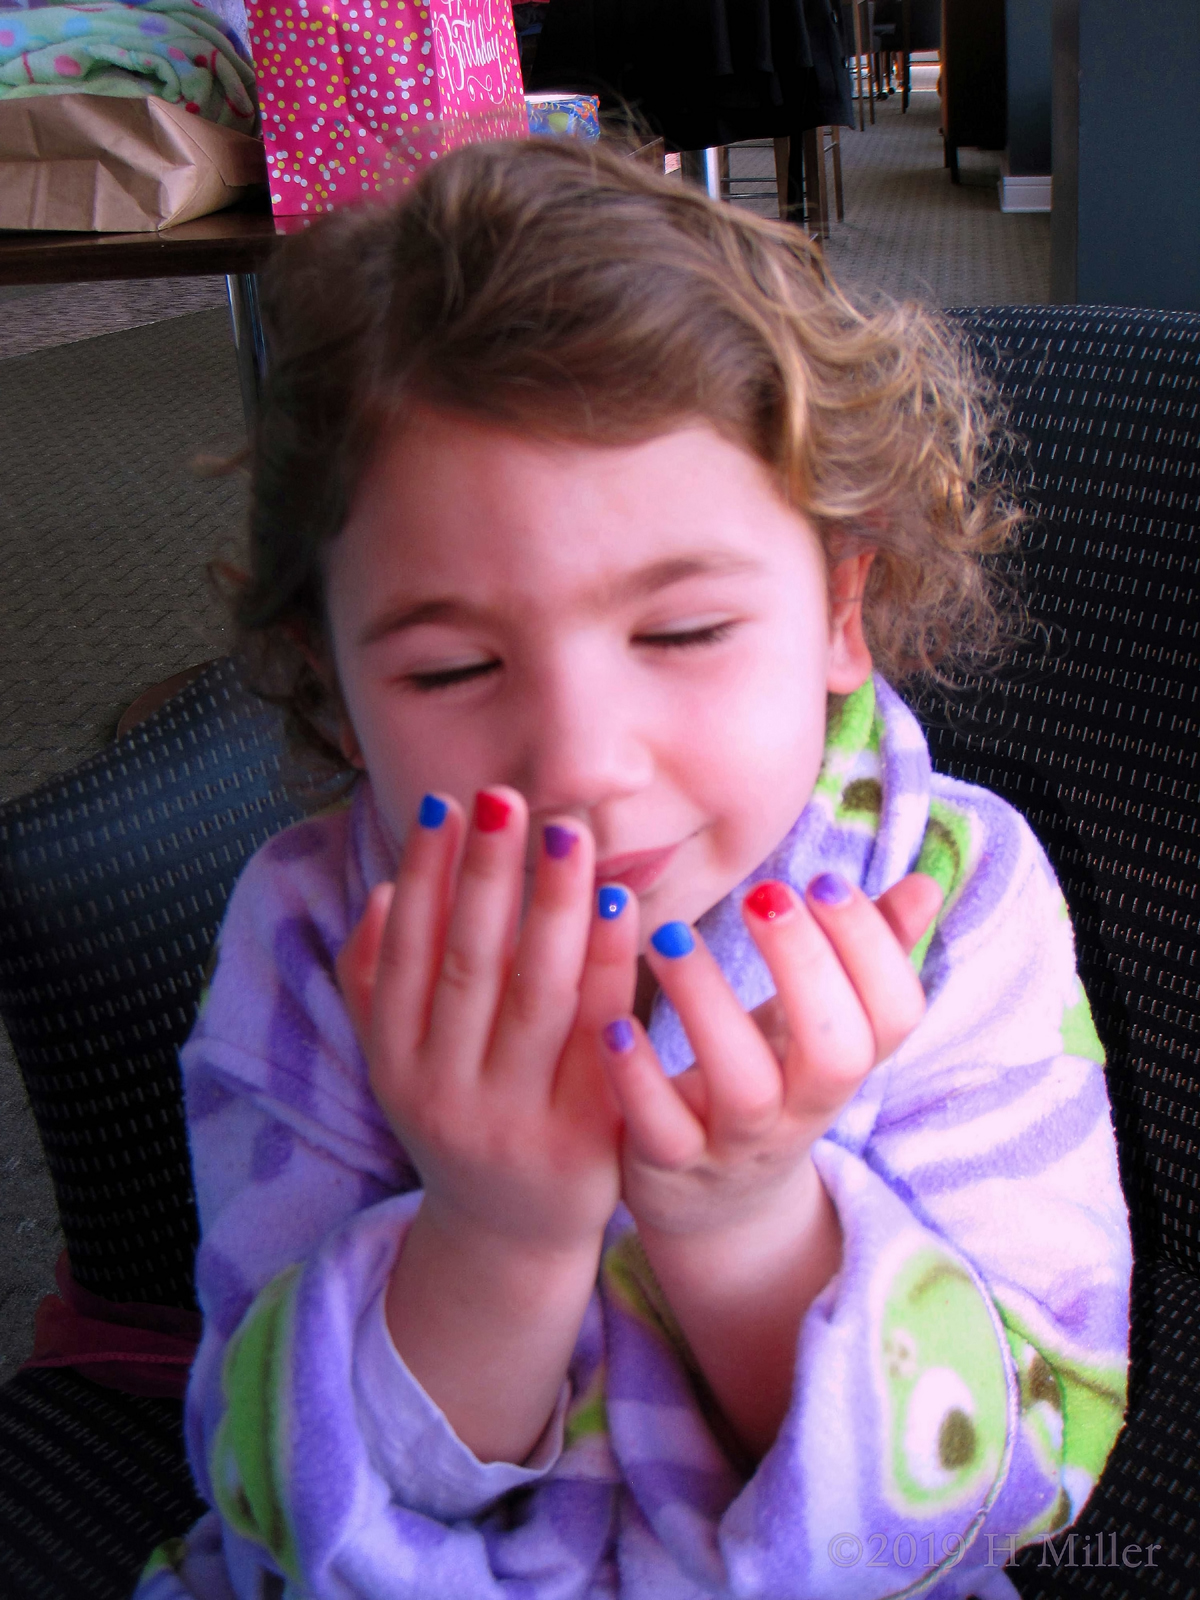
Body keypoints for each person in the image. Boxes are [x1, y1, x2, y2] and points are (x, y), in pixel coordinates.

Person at [136, 138, 1130, 1600]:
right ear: (334, 686)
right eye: (457, 665)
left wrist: (743, 1226)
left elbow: (1029, 1456)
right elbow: (274, 1493)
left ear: (840, 610)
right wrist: (500, 1233)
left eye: (681, 634)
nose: (584, 761)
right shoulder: (314, 937)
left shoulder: (953, 894)